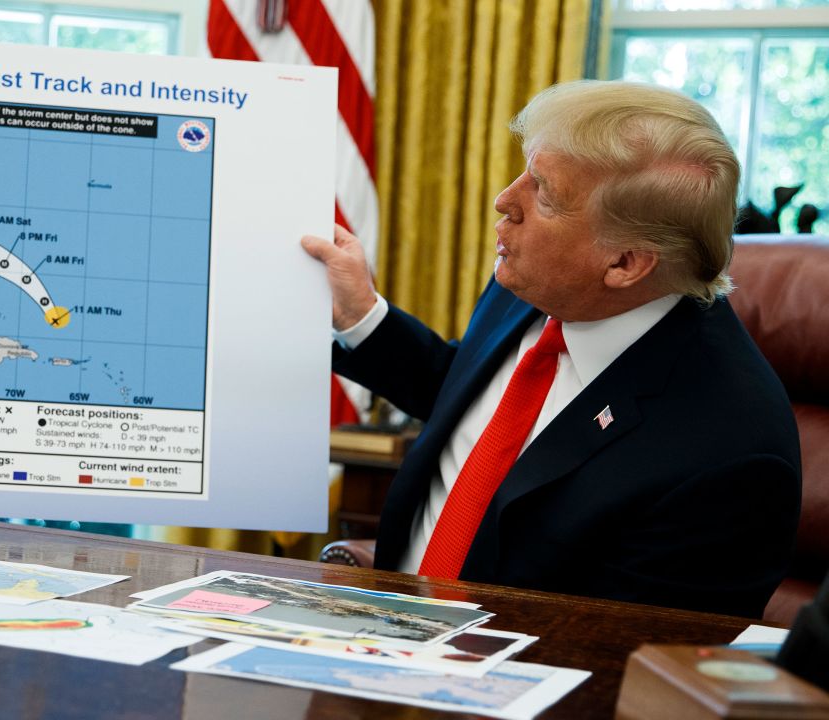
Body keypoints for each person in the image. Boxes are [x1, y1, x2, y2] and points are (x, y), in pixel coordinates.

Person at [302, 80, 801, 618]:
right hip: (383, 619)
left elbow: (620, 665)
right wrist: (361, 316)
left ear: (624, 264)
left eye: (543, 192)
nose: (504, 200)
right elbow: (475, 399)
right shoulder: (538, 282)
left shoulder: (731, 456)